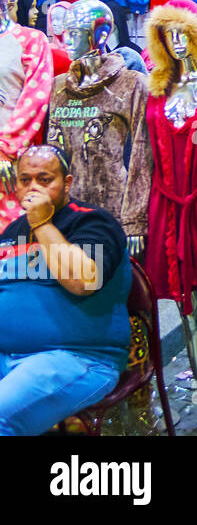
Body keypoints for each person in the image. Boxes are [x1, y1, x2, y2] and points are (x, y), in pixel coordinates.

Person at [0, 145, 130, 435]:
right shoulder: (11, 234)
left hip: (78, 358)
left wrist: (42, 223)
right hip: (7, 355)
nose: (33, 188)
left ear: (67, 182)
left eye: (45, 179)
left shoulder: (92, 221)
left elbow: (82, 282)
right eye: (25, 180)